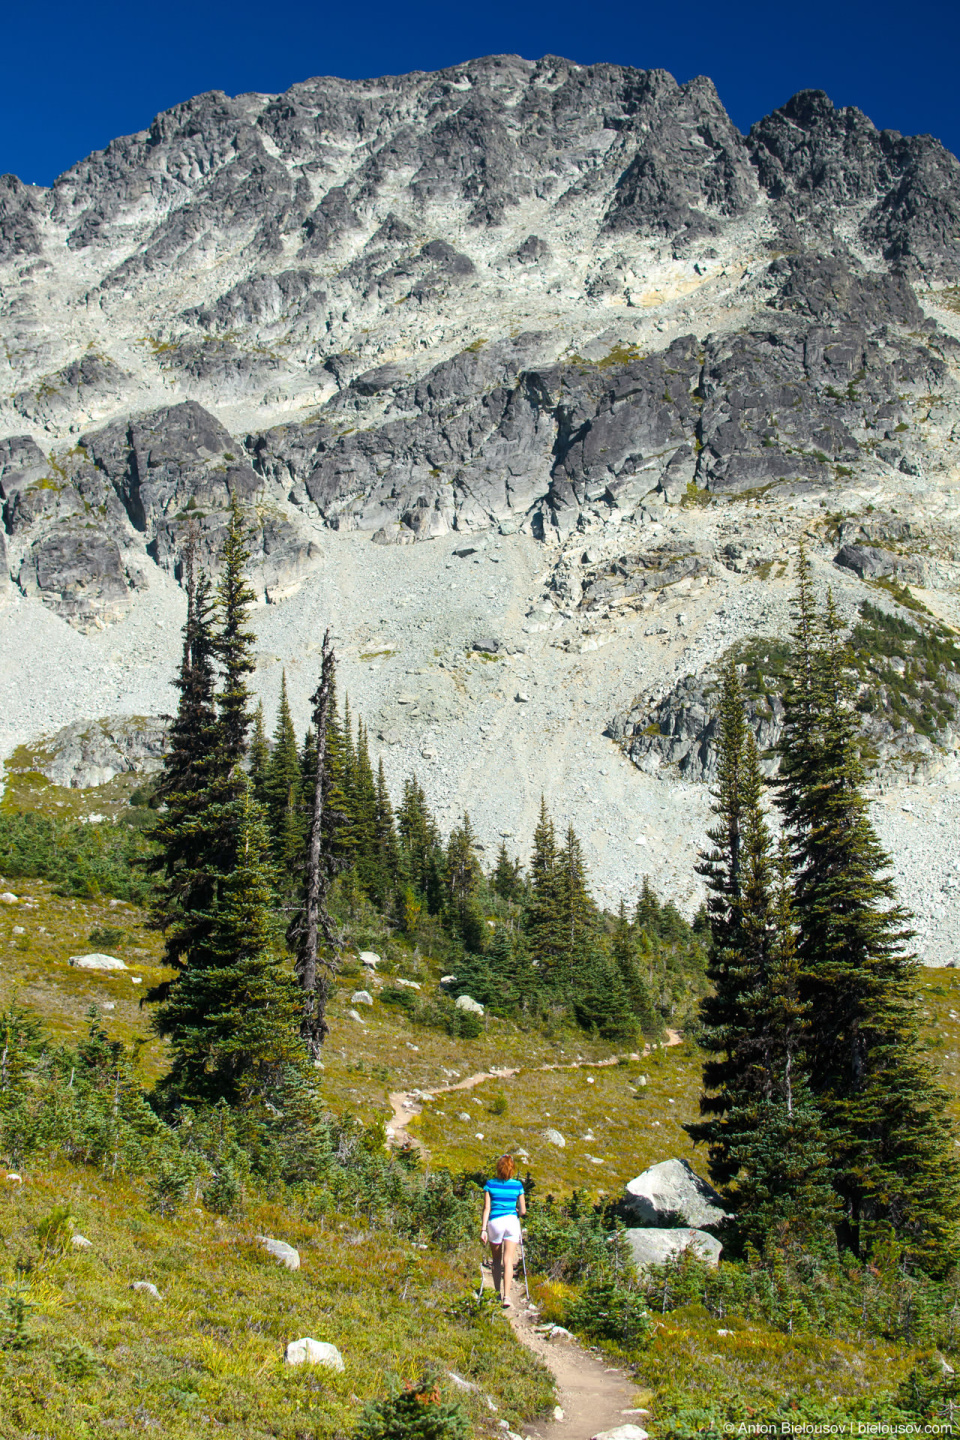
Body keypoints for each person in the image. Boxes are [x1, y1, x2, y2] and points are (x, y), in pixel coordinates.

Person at [480, 1154, 526, 1308]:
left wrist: (483, 1229)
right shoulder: (517, 1185)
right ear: (512, 1169)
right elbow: (523, 1210)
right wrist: (517, 1212)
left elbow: (487, 1208)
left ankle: (496, 1293)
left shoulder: (490, 1184)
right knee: (508, 1261)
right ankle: (507, 1296)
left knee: (496, 1260)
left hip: (495, 1222)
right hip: (511, 1222)